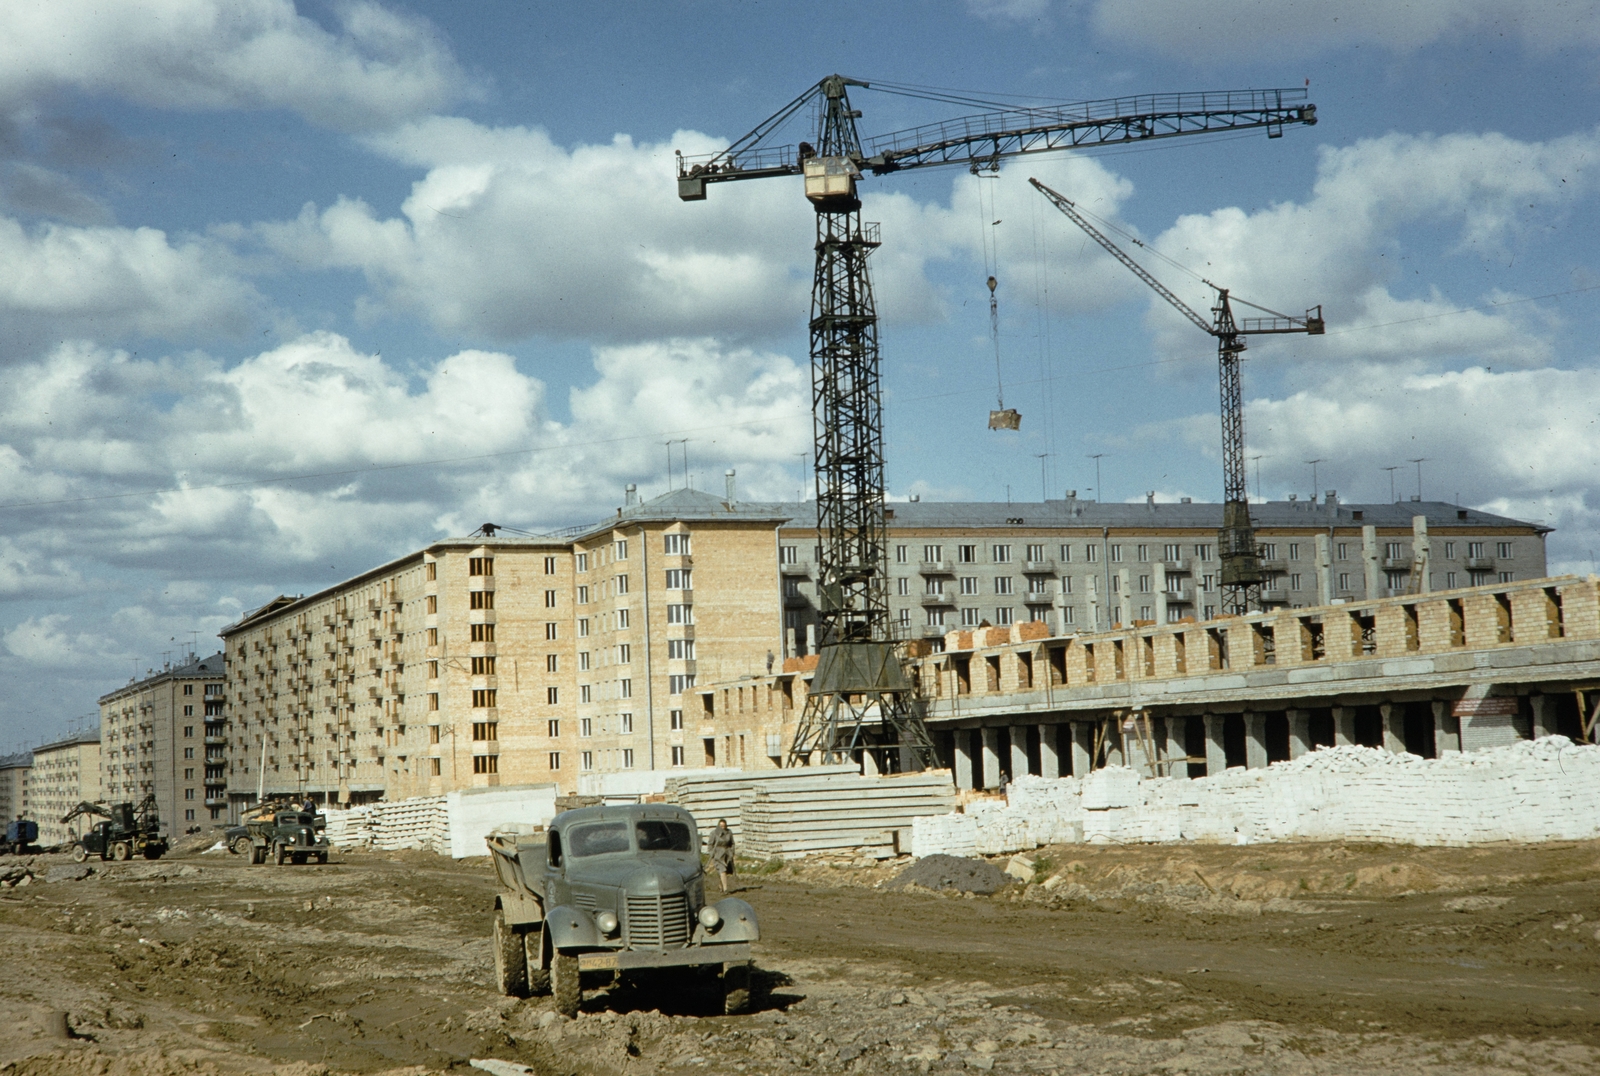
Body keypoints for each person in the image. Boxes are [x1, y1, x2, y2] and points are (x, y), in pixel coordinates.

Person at [708, 818, 735, 892]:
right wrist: (712, 854)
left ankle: (721, 886)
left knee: (725, 871)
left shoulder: (729, 833)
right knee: (722, 870)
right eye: (721, 826)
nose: (723, 828)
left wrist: (732, 852)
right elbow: (710, 845)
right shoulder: (714, 833)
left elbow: (732, 843)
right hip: (718, 855)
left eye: (724, 826)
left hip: (727, 854)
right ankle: (726, 889)